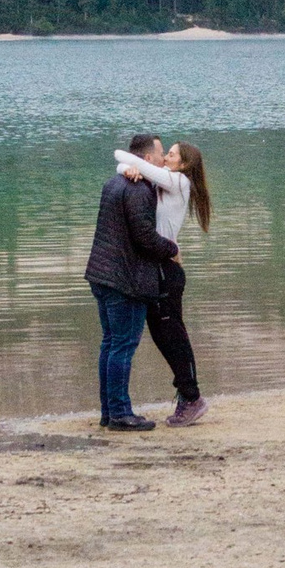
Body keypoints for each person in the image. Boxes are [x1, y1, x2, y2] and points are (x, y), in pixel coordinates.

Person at [83, 129, 181, 431]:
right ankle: (121, 413)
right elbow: (145, 238)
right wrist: (172, 248)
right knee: (123, 345)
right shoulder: (139, 189)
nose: (164, 160)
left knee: (111, 344)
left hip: (101, 273)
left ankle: (108, 410)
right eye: (160, 153)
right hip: (125, 279)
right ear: (148, 157)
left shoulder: (115, 182)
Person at [127, 139, 210, 425]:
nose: (164, 159)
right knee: (164, 336)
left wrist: (130, 164)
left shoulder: (179, 182)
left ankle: (192, 396)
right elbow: (130, 164)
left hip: (167, 270)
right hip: (159, 268)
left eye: (170, 155)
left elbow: (124, 157)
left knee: (173, 336)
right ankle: (189, 395)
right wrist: (129, 169)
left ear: (183, 164)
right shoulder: (165, 183)